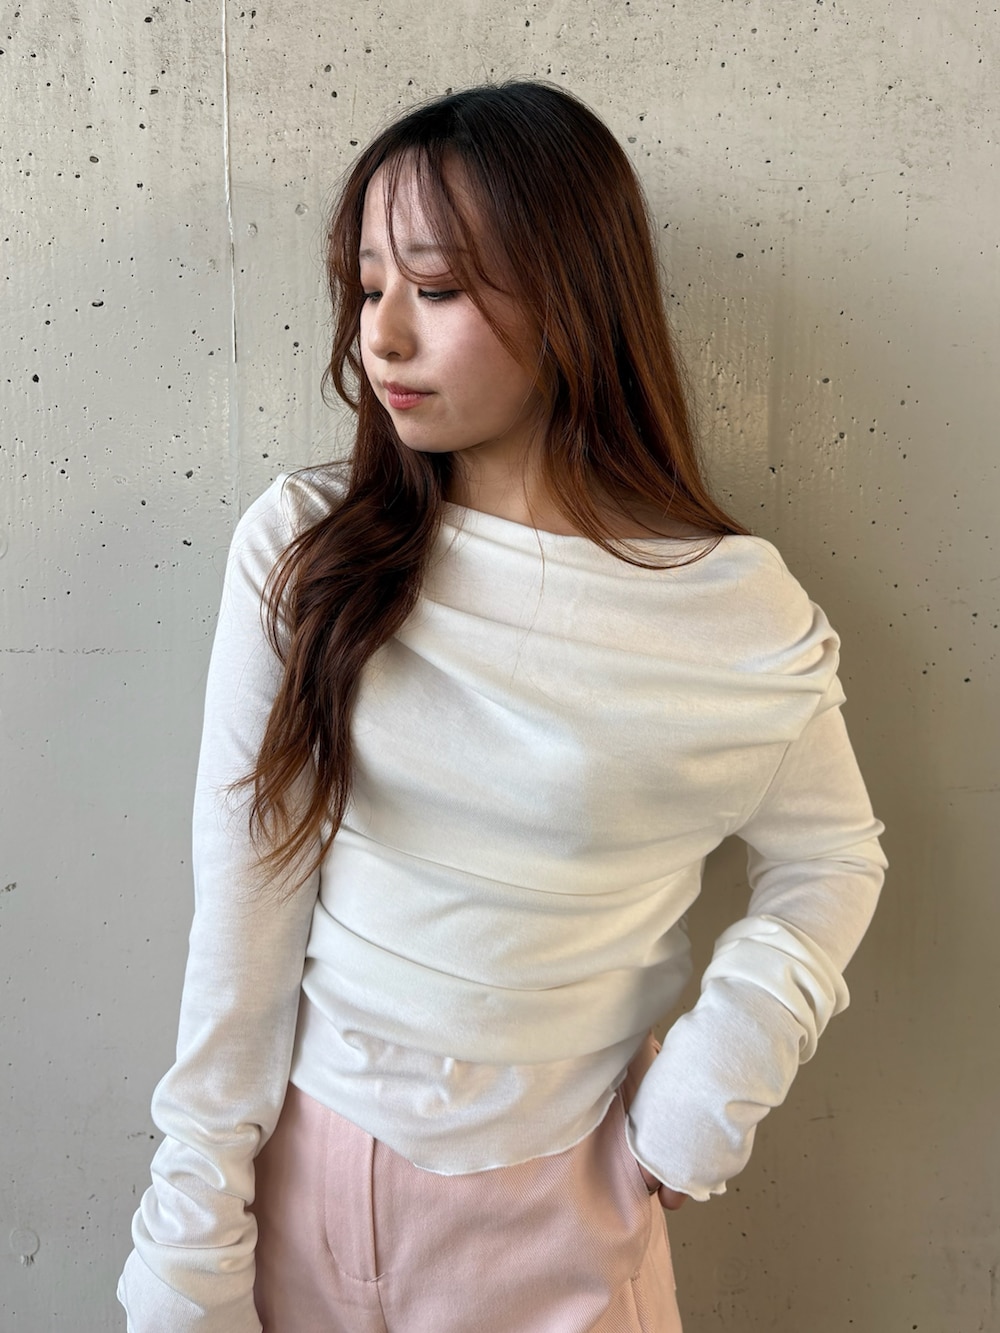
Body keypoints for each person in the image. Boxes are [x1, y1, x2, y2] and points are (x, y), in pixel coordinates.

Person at [117, 80, 886, 1333]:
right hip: (303, 1174)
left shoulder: (730, 610)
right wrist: (190, 1236)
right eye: (367, 286)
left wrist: (708, 1087)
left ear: (574, 294)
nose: (381, 338)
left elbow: (833, 856)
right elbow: (245, 907)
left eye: (435, 286)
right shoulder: (310, 548)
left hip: (561, 1200)